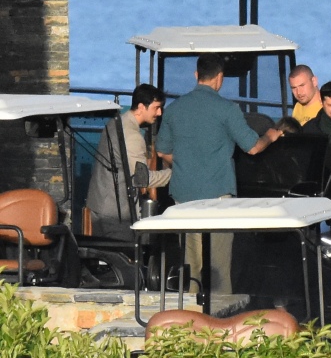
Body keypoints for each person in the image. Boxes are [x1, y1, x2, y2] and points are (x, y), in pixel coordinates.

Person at [156, 53, 282, 295]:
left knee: (191, 268)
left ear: (196, 75)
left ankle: (190, 313)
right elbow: (253, 148)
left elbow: (162, 151)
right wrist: (270, 136)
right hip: (218, 199)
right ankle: (219, 313)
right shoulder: (227, 109)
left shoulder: (174, 109)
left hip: (183, 197)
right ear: (220, 78)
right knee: (219, 269)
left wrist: (186, 162)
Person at [86, 84, 172, 241]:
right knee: (123, 255)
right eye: (156, 108)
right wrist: (175, 173)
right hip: (115, 214)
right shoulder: (132, 135)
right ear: (141, 107)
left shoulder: (114, 123)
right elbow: (142, 179)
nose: (159, 113)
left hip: (98, 205)